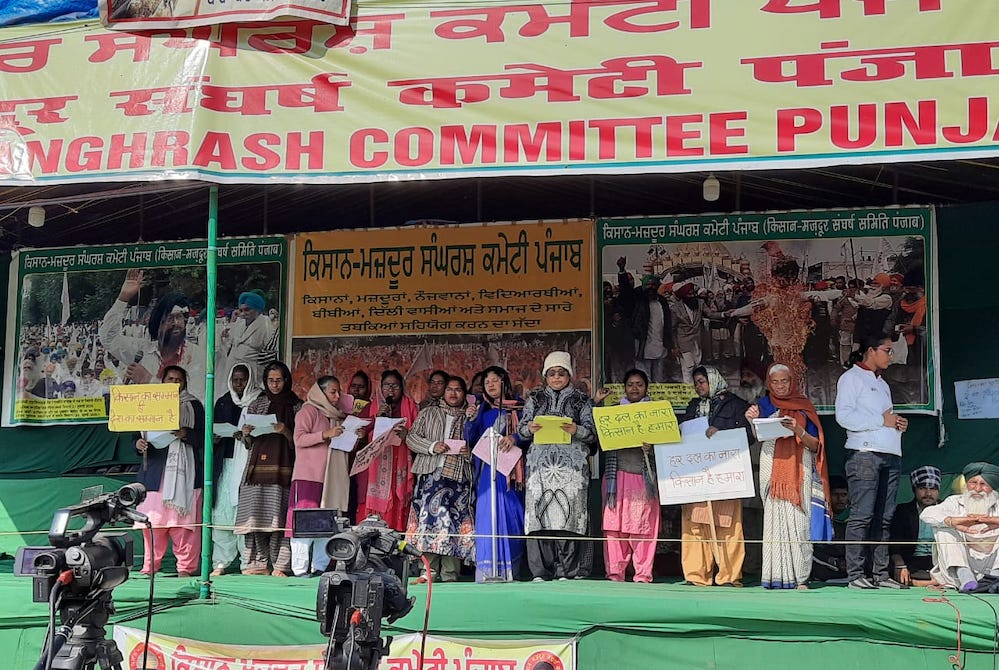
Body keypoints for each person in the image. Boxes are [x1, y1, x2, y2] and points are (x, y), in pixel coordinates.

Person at [835, 332, 909, 590]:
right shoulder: (851, 378)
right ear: (871, 350)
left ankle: (881, 574)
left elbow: (884, 417)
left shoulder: (883, 384)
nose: (892, 355)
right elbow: (843, 417)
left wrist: (896, 423)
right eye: (888, 350)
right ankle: (855, 574)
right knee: (862, 515)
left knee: (885, 517)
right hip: (864, 454)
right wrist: (882, 421)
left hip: (890, 453)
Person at [746, 364, 830, 590]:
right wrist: (752, 422)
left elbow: (816, 445)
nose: (780, 386)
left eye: (784, 381)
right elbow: (760, 437)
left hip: (798, 468)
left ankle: (801, 578)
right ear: (768, 383)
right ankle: (776, 576)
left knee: (799, 521)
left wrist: (799, 431)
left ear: (792, 381)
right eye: (775, 382)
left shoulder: (803, 407)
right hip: (771, 466)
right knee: (774, 521)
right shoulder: (763, 405)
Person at [519, 351, 596, 582]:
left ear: (569, 375)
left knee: (567, 517)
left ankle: (567, 571)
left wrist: (577, 431)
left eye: (561, 373)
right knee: (539, 516)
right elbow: (522, 429)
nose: (556, 377)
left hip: (571, 468)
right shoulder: (535, 398)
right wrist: (529, 429)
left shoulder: (581, 400)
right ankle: (540, 572)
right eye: (551, 373)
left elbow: (592, 433)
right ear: (545, 376)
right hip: (540, 467)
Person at [678, 365, 750, 586]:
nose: (698, 386)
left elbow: (749, 436)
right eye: (696, 382)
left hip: (726, 474)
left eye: (702, 381)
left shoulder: (737, 405)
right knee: (695, 523)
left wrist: (722, 434)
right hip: (697, 474)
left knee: (727, 524)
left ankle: (729, 576)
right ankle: (696, 575)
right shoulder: (692, 407)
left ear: (714, 380)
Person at [133, 366, 204, 577]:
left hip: (186, 475)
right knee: (153, 523)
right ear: (162, 381)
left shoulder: (193, 406)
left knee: (185, 525)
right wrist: (138, 444)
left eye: (179, 380)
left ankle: (185, 569)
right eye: (170, 379)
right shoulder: (149, 404)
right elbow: (135, 435)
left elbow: (204, 438)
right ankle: (149, 568)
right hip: (154, 474)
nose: (174, 383)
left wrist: (185, 433)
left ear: (185, 383)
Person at [289, 376, 361, 577]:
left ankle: (320, 567)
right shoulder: (308, 410)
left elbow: (344, 446)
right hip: (309, 476)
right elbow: (299, 439)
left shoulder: (338, 415)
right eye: (332, 391)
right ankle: (300, 569)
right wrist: (325, 434)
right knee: (304, 524)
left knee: (326, 523)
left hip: (331, 478)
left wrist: (355, 435)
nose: (337, 396)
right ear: (321, 393)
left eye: (339, 391)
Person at [406, 376, 476, 582]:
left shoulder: (469, 418)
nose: (453, 394)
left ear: (465, 394)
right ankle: (428, 572)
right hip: (430, 475)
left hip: (458, 479)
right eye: (449, 390)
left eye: (458, 390)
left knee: (452, 525)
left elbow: (481, 444)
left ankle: (450, 574)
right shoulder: (429, 413)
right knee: (427, 524)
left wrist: (469, 453)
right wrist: (431, 446)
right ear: (443, 393)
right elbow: (411, 438)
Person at [234, 361, 300, 577]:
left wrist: (285, 431)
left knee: (279, 517)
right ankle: (258, 562)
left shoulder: (297, 406)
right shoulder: (257, 404)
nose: (274, 385)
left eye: (278, 380)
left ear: (286, 380)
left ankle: (280, 564)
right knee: (255, 516)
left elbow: (300, 441)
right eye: (271, 380)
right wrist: (245, 433)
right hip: (255, 471)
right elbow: (248, 443)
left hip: (284, 469)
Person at [99, 269, 205, 400]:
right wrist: (123, 297)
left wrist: (149, 380)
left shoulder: (197, 356)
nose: (176, 323)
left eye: (180, 317)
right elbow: (109, 338)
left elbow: (196, 398)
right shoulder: (141, 351)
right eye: (170, 318)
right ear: (157, 324)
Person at [465, 365, 526, 582]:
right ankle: (487, 572)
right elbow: (470, 438)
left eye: (494, 380)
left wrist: (515, 438)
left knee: (512, 516)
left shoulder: (520, 407)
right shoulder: (482, 408)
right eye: (486, 382)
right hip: (487, 472)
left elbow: (528, 434)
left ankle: (511, 572)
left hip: (510, 474)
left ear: (504, 382)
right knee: (487, 517)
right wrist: (471, 419)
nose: (490, 385)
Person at [602, 368, 659, 583]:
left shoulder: (655, 413)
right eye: (630, 384)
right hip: (615, 477)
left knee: (643, 527)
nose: (634, 388)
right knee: (614, 528)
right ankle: (615, 574)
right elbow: (600, 440)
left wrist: (652, 447)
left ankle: (643, 575)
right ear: (624, 388)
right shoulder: (614, 412)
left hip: (643, 477)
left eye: (639, 384)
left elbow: (669, 443)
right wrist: (597, 405)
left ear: (646, 388)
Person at [210, 364, 259, 577]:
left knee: (245, 512)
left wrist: (246, 437)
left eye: (243, 380)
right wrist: (217, 437)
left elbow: (265, 430)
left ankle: (248, 562)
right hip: (226, 465)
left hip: (249, 464)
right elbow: (211, 430)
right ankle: (220, 562)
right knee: (222, 513)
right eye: (236, 380)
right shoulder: (222, 402)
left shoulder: (260, 400)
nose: (239, 384)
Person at [356, 370, 419, 531]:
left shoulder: (411, 406)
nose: (391, 390)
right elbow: (358, 434)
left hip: (400, 465)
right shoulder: (372, 408)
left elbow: (420, 433)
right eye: (386, 386)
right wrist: (376, 418)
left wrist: (408, 435)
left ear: (402, 387)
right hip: (375, 469)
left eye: (395, 386)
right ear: (380, 388)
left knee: (398, 504)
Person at [921, 462, 999, 592]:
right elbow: (927, 513)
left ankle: (995, 579)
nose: (977, 489)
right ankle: (965, 576)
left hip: (991, 564)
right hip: (959, 569)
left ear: (992, 487)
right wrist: (953, 521)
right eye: (973, 483)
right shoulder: (955, 501)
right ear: (966, 484)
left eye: (983, 484)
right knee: (943, 529)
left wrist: (994, 521)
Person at [890, 466, 942, 586]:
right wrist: (900, 565)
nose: (928, 493)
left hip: (940, 562)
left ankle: (923, 582)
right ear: (914, 490)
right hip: (912, 562)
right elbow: (894, 543)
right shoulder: (903, 510)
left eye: (933, 489)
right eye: (922, 488)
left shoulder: (946, 509)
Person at [221, 290, 277, 382]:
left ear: (257, 309)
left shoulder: (266, 324)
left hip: (252, 371)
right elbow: (229, 343)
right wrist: (226, 335)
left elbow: (270, 352)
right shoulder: (239, 323)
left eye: (247, 310)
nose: (243, 313)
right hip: (232, 368)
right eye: (241, 310)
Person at [632, 275, 674, 382]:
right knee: (643, 380)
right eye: (648, 285)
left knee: (658, 380)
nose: (651, 287)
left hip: (660, 347)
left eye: (653, 285)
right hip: (643, 347)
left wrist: (670, 345)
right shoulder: (638, 301)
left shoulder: (662, 302)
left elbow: (668, 325)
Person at [813, 475, 851, 582]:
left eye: (843, 495)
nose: (840, 499)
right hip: (827, 567)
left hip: (849, 567)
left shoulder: (855, 518)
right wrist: (834, 561)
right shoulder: (821, 517)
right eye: (835, 495)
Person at [671, 282, 706, 385]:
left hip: (697, 343)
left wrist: (724, 314)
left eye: (693, 293)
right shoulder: (675, 309)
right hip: (684, 344)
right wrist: (674, 347)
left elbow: (710, 313)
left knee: (697, 368)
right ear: (683, 296)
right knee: (687, 370)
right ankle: (689, 396)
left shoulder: (699, 304)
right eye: (689, 294)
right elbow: (672, 329)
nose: (692, 296)